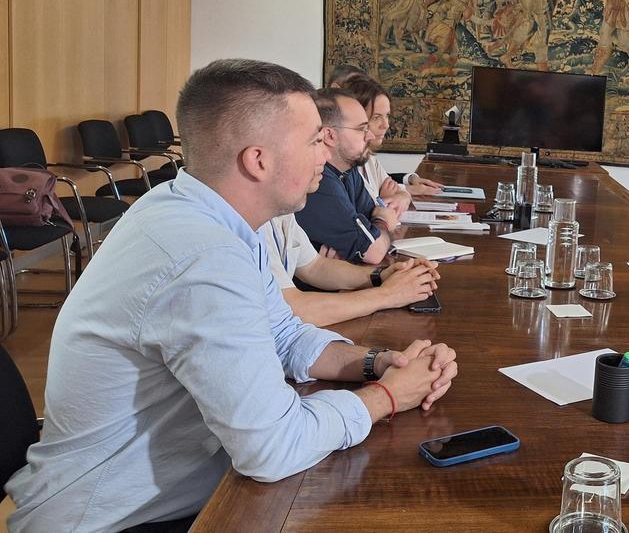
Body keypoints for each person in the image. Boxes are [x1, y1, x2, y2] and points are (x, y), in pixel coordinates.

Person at [5, 59, 458, 532]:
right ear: (257, 160)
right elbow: (272, 448)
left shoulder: (212, 217)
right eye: (313, 141)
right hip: (112, 518)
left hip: (179, 491)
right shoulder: (202, 256)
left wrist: (377, 362)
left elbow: (281, 333)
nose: (325, 155)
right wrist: (387, 397)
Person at [265, 210, 440, 327]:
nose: (323, 159)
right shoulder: (247, 221)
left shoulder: (281, 211)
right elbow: (290, 308)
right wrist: (388, 295)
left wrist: (382, 275)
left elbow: (315, 267)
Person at [295, 89, 399, 264]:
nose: (371, 135)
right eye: (362, 129)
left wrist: (376, 225)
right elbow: (373, 250)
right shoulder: (318, 180)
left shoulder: (347, 169)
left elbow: (370, 221)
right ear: (329, 135)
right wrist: (383, 221)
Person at [330, 70, 442, 196]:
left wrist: (404, 194)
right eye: (376, 117)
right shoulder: (342, 166)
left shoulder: (369, 157)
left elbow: (388, 186)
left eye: (387, 116)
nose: (386, 125)